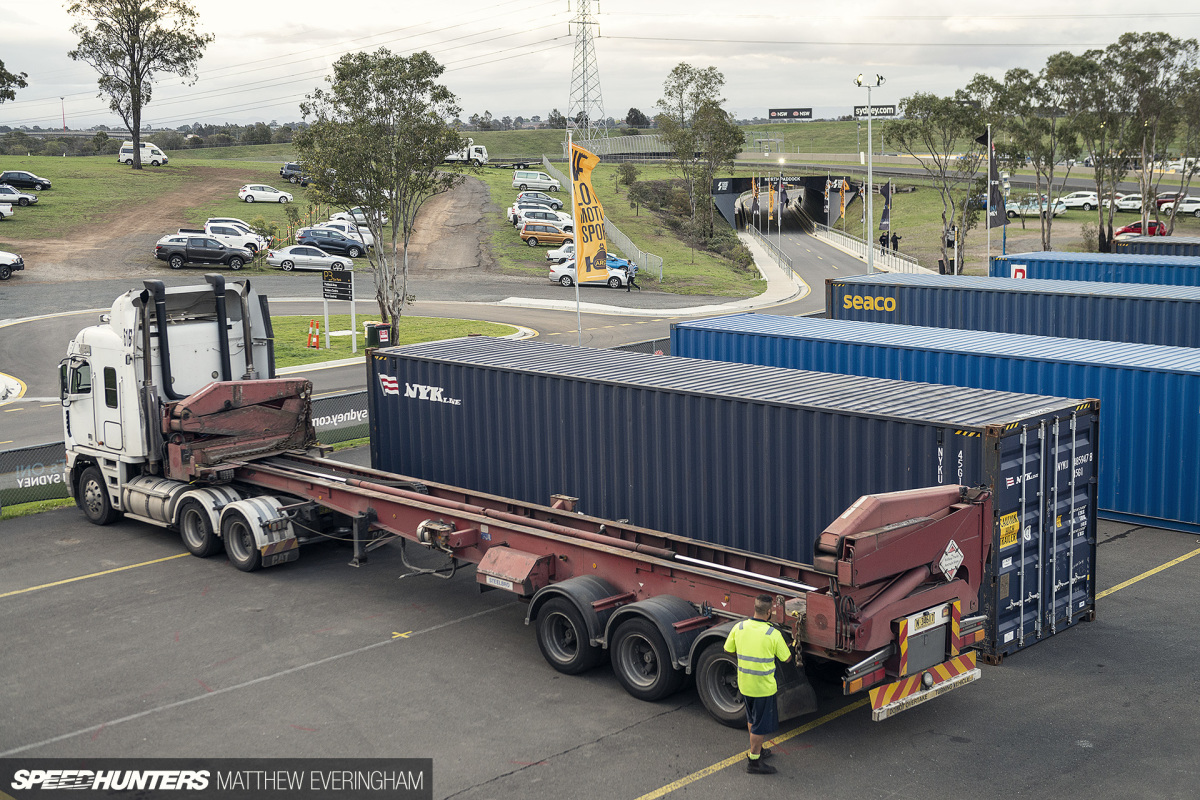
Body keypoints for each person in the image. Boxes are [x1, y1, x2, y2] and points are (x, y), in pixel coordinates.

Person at [724, 594, 792, 775]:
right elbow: (787, 658)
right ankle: (754, 762)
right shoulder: (772, 634)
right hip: (763, 688)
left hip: (745, 684)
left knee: (752, 719)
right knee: (759, 726)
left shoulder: (739, 627)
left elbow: (727, 649)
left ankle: (758, 750)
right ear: (769, 612)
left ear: (755, 608)